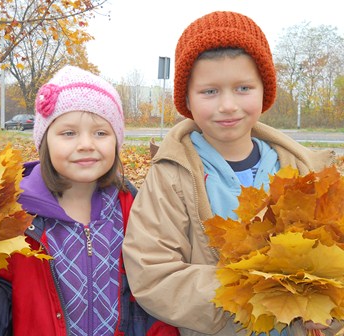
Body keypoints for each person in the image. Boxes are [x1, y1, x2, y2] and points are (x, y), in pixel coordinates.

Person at [122, 11, 340, 336]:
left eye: (242, 88)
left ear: (264, 91)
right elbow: (153, 273)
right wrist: (252, 291)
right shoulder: (171, 177)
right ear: (186, 99)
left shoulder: (304, 170)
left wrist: (325, 306)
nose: (227, 105)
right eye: (210, 91)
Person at [0, 66, 179, 336]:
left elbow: (151, 299)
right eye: (68, 133)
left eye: (101, 133)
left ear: (116, 141)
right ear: (45, 142)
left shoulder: (131, 207)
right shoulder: (12, 219)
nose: (86, 144)